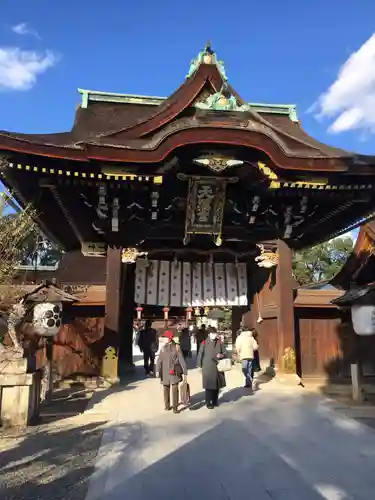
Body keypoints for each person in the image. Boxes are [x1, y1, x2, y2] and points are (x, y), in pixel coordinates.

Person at [156, 331, 187, 413]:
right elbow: (159, 360)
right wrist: (157, 370)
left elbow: (181, 360)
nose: (163, 339)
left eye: (165, 337)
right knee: (165, 389)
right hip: (165, 372)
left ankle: (175, 407)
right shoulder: (163, 348)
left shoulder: (176, 348)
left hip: (174, 371)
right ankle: (167, 405)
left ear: (169, 338)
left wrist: (185, 372)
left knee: (174, 390)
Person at [197, 326, 227, 409]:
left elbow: (225, 352)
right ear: (209, 334)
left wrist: (221, 355)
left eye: (215, 333)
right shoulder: (204, 343)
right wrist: (199, 366)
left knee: (217, 385)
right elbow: (200, 354)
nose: (214, 335)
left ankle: (215, 400)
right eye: (213, 334)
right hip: (208, 366)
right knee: (209, 386)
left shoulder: (219, 342)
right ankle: (208, 402)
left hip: (218, 366)